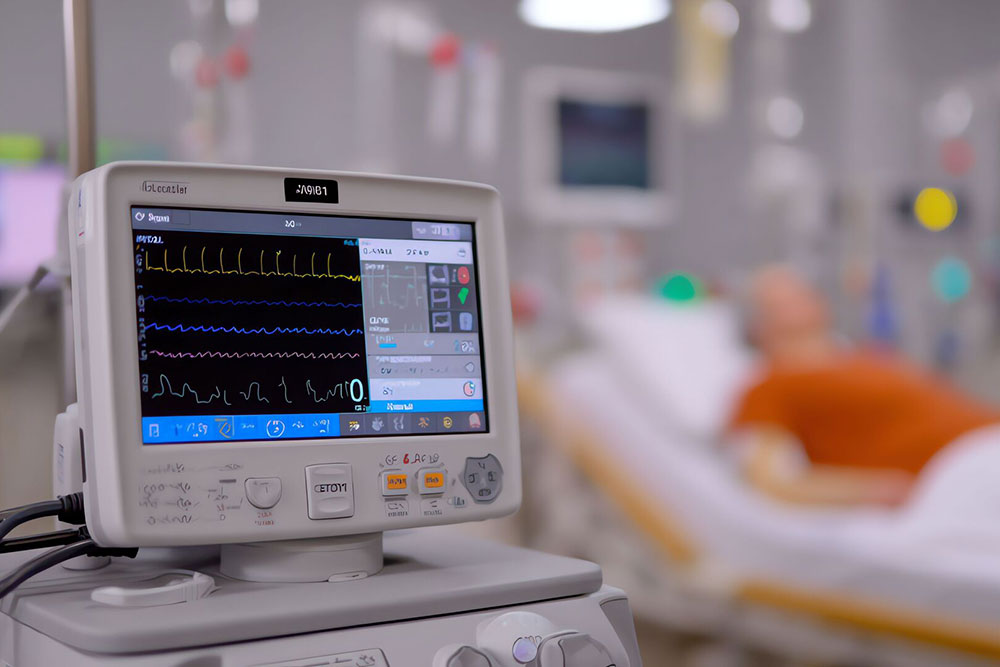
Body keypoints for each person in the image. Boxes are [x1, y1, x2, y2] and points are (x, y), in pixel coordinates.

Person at [728, 265, 1000, 507]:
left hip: (987, 438)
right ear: (756, 325)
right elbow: (771, 480)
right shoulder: (768, 386)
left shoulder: (864, 358)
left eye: (801, 294)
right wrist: (867, 490)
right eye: (780, 303)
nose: (799, 303)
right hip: (956, 470)